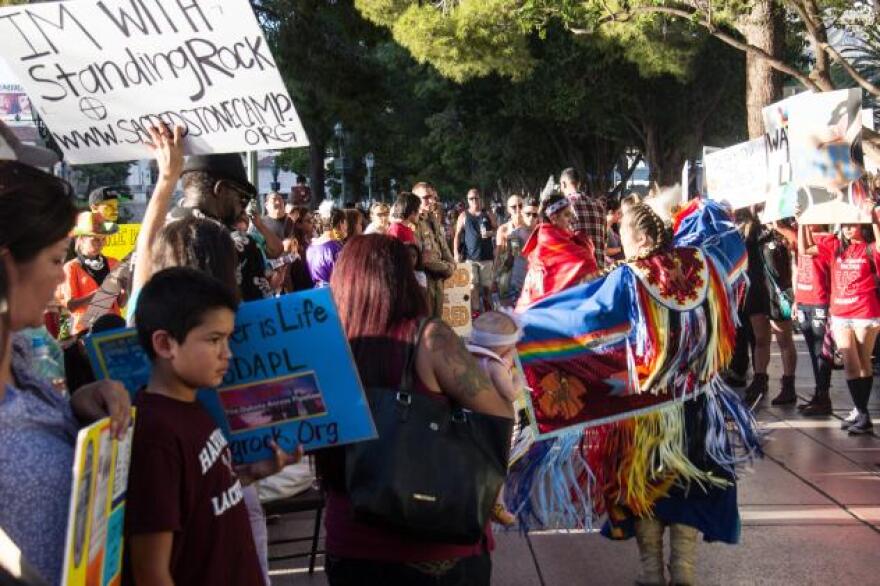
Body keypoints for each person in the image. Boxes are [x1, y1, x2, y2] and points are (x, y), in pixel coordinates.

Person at [317, 235, 512, 586]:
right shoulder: (430, 338)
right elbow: (496, 416)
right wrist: (502, 373)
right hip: (435, 544)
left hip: (350, 545)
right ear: (402, 279)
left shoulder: (325, 345)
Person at [125, 267, 299, 586]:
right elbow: (150, 571)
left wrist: (255, 472)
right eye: (214, 340)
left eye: (228, 339)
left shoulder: (193, 406)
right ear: (165, 344)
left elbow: (203, 496)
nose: (227, 354)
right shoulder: (154, 435)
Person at [0, 160, 131, 585]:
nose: (61, 278)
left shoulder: (21, 354)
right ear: (6, 267)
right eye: (56, 259)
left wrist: (77, 405)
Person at [801, 205, 880, 435]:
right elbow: (805, 248)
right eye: (844, 225)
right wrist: (804, 220)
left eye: (852, 224)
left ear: (861, 225)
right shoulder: (834, 246)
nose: (847, 229)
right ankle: (862, 414)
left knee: (864, 364)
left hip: (865, 314)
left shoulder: (869, 248)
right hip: (840, 315)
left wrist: (874, 219)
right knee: (851, 364)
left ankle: (861, 413)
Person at [176, 152, 273, 301]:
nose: (242, 208)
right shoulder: (236, 242)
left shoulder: (152, 237)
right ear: (220, 189)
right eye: (242, 198)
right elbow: (261, 315)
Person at [466, 310, 525, 527]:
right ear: (503, 347)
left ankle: (481, 498)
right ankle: (496, 503)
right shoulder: (495, 366)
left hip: (476, 419)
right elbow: (510, 394)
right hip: (497, 424)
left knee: (480, 462)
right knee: (498, 464)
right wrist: (518, 379)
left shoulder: (471, 359)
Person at [738, 210, 798, 407]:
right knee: (760, 340)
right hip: (755, 291)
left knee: (784, 340)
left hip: (778, 292)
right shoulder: (747, 226)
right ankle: (759, 379)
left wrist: (777, 225)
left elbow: (797, 244)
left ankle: (788, 385)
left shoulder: (782, 224)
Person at [516, 194, 599, 310]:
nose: (571, 219)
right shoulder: (551, 241)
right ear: (554, 218)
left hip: (533, 312)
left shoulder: (549, 239)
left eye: (571, 214)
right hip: (543, 313)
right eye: (566, 215)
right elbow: (586, 261)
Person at [61, 211, 124, 337]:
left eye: (103, 239)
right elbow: (71, 306)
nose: (101, 244)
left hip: (114, 327)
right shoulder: (71, 267)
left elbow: (120, 303)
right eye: (95, 239)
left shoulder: (114, 263)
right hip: (86, 332)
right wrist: (98, 294)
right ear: (82, 240)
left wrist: (125, 290)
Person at [795, 223, 835, 415]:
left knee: (821, 350)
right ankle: (818, 393)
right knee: (812, 349)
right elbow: (798, 263)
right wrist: (796, 299)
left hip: (820, 300)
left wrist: (802, 223)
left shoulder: (829, 240)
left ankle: (824, 396)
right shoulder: (801, 234)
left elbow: (807, 250)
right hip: (804, 299)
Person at [413, 183, 456, 317]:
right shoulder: (414, 223)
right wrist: (447, 268)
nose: (431, 201)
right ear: (416, 200)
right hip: (425, 280)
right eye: (426, 197)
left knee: (437, 321)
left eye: (432, 197)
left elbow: (442, 246)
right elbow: (423, 258)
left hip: (438, 280)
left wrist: (452, 263)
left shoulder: (432, 219)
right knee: (427, 323)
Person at [454, 189, 497, 312]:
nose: (474, 201)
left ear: (480, 199)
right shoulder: (463, 216)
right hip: (470, 258)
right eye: (471, 198)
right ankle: (476, 313)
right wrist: (456, 253)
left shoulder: (488, 214)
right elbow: (457, 235)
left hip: (486, 257)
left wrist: (490, 233)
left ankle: (489, 312)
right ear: (468, 200)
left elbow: (497, 230)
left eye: (476, 198)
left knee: (487, 288)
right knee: (473, 287)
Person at [560, 167, 607, 269]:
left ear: (563, 184)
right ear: (579, 183)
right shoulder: (599, 206)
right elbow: (604, 239)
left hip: (577, 271)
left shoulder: (565, 207)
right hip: (599, 270)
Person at [495, 195, 533, 306]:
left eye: (520, 205)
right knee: (507, 309)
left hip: (526, 272)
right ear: (508, 209)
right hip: (506, 272)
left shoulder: (531, 226)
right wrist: (494, 277)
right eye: (513, 207)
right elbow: (498, 254)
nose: (517, 209)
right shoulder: (503, 229)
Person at [306, 208, 347, 288]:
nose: (346, 227)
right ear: (340, 223)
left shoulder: (310, 248)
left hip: (317, 293)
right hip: (333, 292)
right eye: (345, 222)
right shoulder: (337, 248)